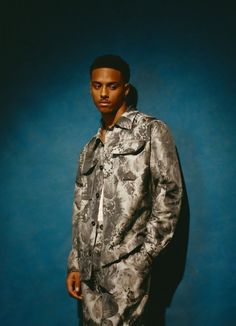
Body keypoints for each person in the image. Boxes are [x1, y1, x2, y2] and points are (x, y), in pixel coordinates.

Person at [66, 55, 183, 325]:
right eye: (97, 86)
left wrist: (144, 258)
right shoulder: (89, 149)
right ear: (90, 87)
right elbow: (80, 208)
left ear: (125, 89)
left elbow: (170, 194)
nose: (103, 93)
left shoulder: (151, 131)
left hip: (127, 270)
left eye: (112, 86)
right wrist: (74, 263)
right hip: (89, 273)